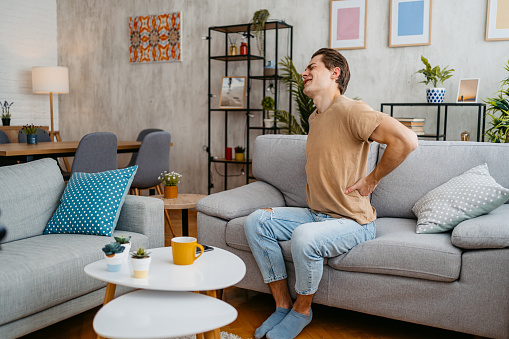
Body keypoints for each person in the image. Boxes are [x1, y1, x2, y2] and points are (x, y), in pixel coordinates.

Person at [244, 48, 418, 339]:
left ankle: (302, 311)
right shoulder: (315, 118)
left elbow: (407, 140)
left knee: (304, 236)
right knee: (256, 221)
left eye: (313, 66)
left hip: (353, 221)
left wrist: (372, 179)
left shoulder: (353, 109)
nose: (304, 73)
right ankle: (283, 305)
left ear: (334, 73)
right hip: (315, 214)